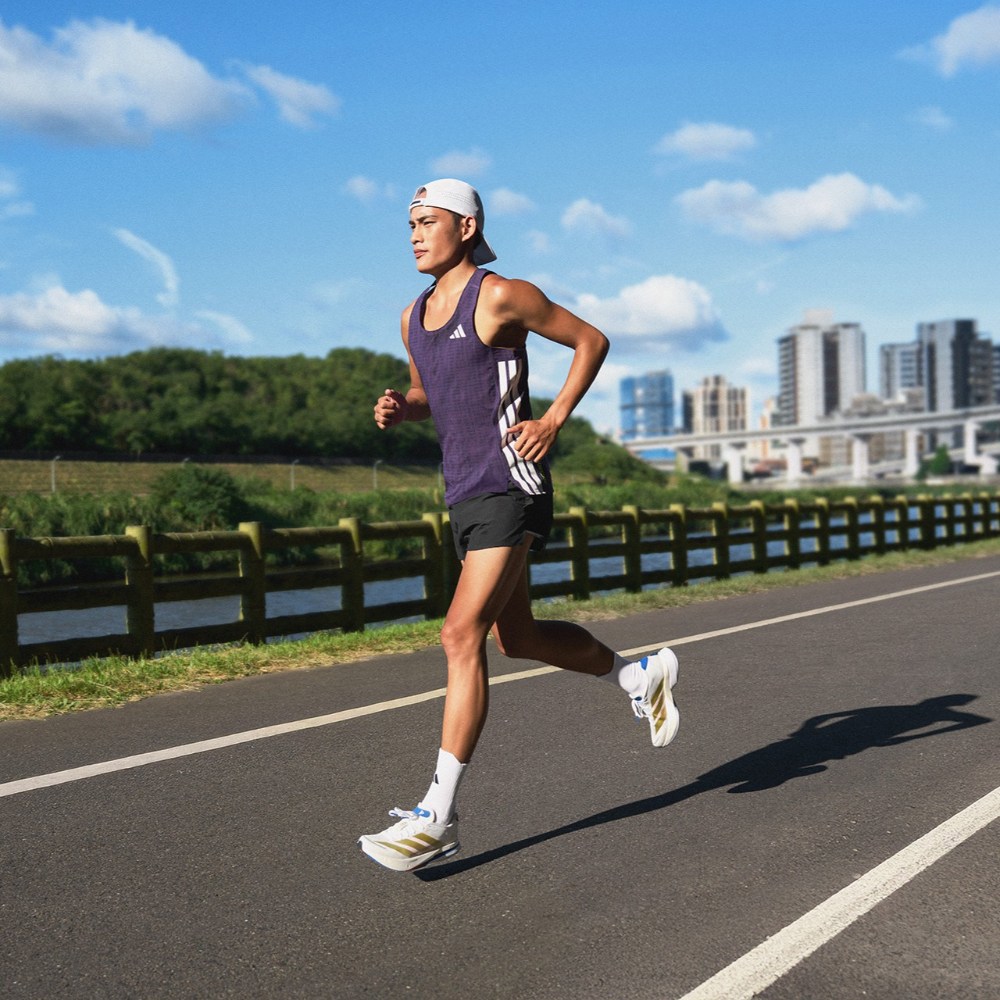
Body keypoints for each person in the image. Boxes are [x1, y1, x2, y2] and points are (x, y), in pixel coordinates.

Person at [359, 178, 679, 872]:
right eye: (409, 224)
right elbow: (432, 395)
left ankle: (436, 814)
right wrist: (400, 407)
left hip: (512, 483)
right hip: (464, 492)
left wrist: (554, 418)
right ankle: (636, 675)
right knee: (517, 637)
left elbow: (590, 339)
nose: (414, 233)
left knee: (459, 632)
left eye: (428, 221)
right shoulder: (413, 316)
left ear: (466, 227)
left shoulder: (500, 295)